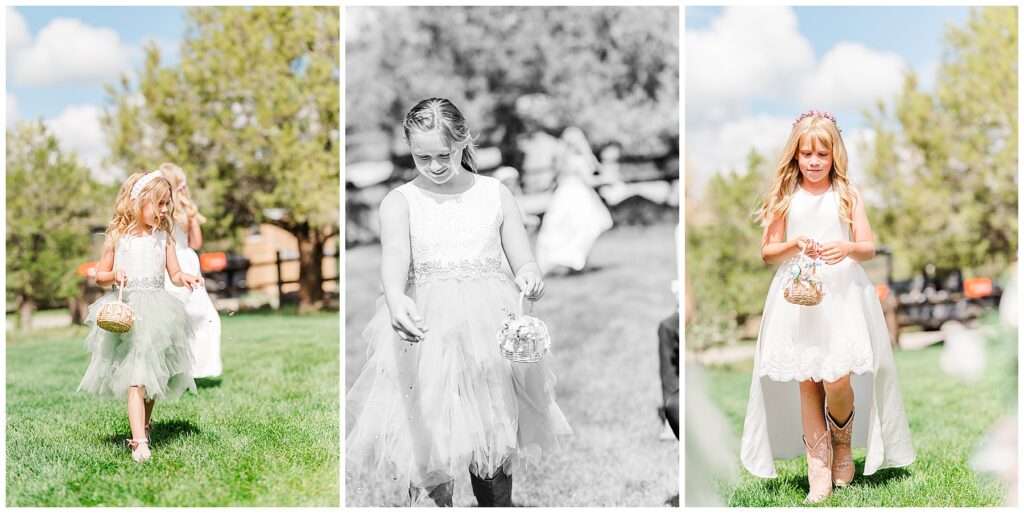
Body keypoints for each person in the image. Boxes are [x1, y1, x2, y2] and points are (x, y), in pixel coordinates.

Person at [346, 98, 572, 507]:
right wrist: (396, 299)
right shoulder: (400, 201)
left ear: (464, 142)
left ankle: (495, 503)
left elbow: (522, 257)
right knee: (432, 433)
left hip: (488, 329)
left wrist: (530, 274)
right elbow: (395, 256)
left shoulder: (494, 194)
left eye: (443, 155)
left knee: (492, 428)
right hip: (426, 331)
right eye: (423, 157)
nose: (434, 165)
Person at [740, 110, 915, 503]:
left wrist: (847, 247)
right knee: (808, 380)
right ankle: (817, 468)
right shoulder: (785, 195)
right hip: (799, 293)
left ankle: (842, 444)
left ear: (835, 154)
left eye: (822, 154)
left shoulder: (847, 194)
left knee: (837, 379)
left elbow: (867, 245)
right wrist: (793, 244)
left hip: (841, 293)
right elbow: (767, 251)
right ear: (796, 156)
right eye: (806, 154)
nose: (814, 162)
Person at [78, 170, 204, 462]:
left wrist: (183, 275)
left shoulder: (165, 238)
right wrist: (114, 273)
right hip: (129, 311)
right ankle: (138, 442)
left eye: (166, 205)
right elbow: (100, 275)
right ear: (137, 202)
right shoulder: (117, 236)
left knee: (151, 377)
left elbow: (172, 274)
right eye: (158, 204)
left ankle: (144, 426)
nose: (163, 211)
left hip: (159, 312)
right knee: (136, 377)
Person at [159, 163, 223, 378]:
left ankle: (179, 370)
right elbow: (196, 243)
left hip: (174, 260)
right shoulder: (177, 209)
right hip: (178, 260)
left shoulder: (170, 208)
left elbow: (194, 242)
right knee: (192, 317)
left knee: (184, 316)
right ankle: (187, 370)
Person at [534, 126, 613, 274]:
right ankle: (576, 261)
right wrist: (607, 179)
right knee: (584, 227)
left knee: (562, 229)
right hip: (578, 196)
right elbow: (589, 181)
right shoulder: (578, 159)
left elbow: (555, 179)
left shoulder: (561, 159)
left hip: (562, 196)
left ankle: (567, 262)